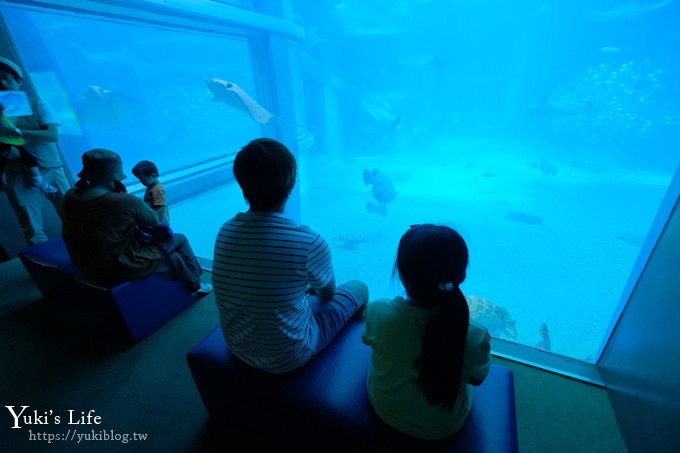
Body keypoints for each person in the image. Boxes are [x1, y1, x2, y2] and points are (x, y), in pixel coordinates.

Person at [212, 137, 369, 374]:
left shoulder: (225, 230)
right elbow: (327, 294)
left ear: (240, 182)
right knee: (360, 287)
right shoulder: (308, 241)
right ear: (291, 182)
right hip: (291, 355)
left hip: (237, 345)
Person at [362, 224, 491, 440]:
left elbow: (367, 340)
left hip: (383, 408)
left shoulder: (378, 310)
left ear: (402, 275)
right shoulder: (474, 334)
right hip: (442, 427)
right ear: (460, 276)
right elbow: (477, 379)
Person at [61, 148, 212, 294]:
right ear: (115, 175)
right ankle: (198, 281)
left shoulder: (70, 196)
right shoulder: (124, 201)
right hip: (118, 266)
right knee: (180, 239)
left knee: (173, 255)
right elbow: (153, 220)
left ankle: (192, 279)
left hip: (83, 262)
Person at [0, 56, 70, 245]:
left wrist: (17, 132)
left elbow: (52, 135)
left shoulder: (38, 104)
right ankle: (44, 267)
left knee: (73, 214)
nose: (1, 82)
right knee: (31, 226)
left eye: (6, 77)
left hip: (51, 168)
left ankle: (88, 253)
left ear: (18, 80)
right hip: (18, 172)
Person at [131, 160, 169, 224]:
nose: (141, 182)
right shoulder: (151, 186)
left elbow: (159, 209)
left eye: (143, 179)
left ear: (153, 176)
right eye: (139, 179)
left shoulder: (157, 189)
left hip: (159, 222)